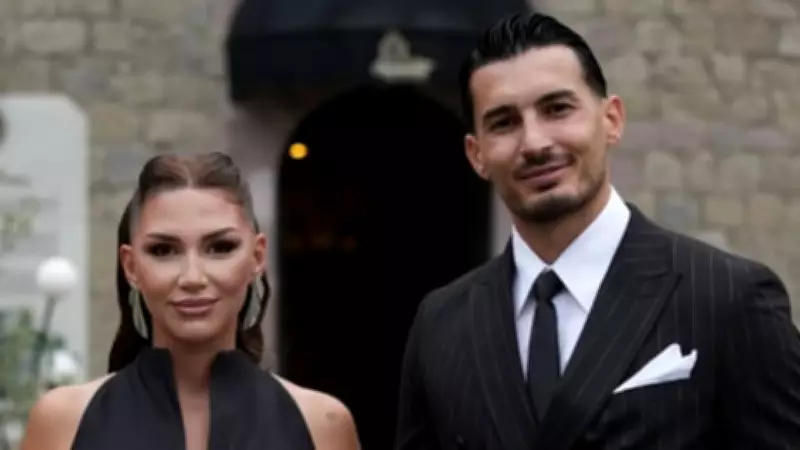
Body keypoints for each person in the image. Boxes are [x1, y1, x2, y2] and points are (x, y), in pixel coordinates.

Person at [395, 11, 800, 450]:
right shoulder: (440, 325)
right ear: (477, 155)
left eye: (557, 109)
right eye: (504, 123)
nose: (535, 143)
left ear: (612, 120)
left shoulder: (729, 298)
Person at [20, 152, 361, 450]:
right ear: (131, 266)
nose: (193, 277)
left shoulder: (322, 423)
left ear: (257, 257)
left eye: (221, 248)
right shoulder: (63, 421)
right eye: (163, 250)